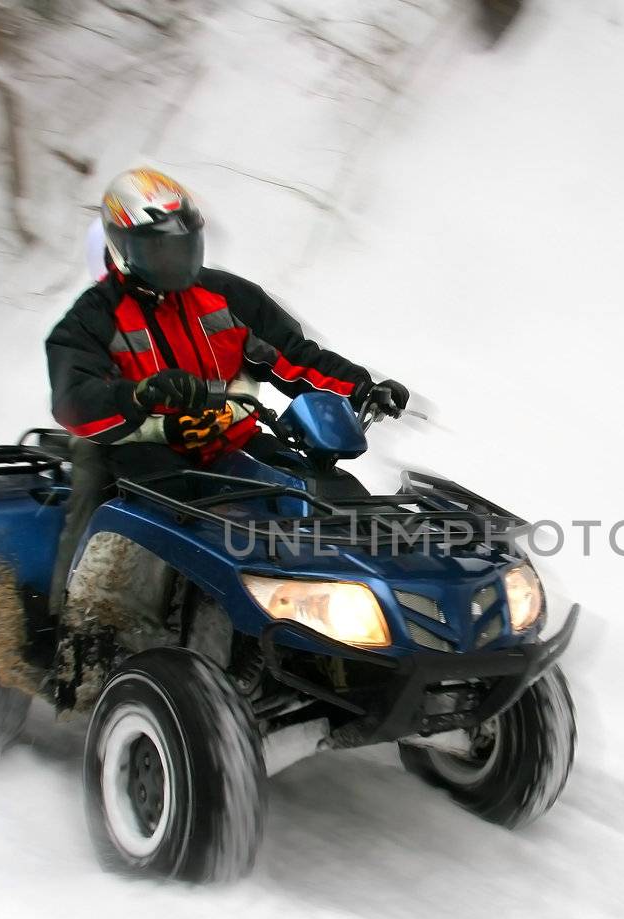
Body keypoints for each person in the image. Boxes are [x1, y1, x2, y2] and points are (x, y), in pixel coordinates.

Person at [44, 167, 409, 609]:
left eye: (183, 245)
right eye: (158, 248)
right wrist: (139, 396)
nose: (174, 259)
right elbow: (73, 400)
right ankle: (74, 618)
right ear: (122, 249)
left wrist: (361, 388)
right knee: (150, 524)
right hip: (132, 446)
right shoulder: (93, 317)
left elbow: (295, 356)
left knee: (327, 495)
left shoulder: (227, 296)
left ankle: (366, 615)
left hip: (228, 439)